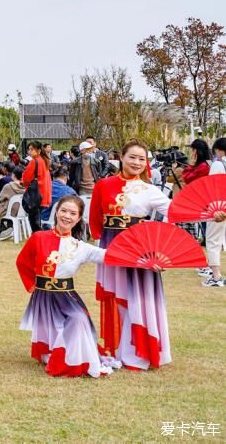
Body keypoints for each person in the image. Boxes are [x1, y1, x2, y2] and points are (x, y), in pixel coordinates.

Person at [89, 139, 172, 370]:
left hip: (139, 249)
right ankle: (118, 349)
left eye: (141, 159)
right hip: (111, 247)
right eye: (132, 157)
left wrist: (210, 215)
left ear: (147, 164)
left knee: (137, 299)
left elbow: (176, 212)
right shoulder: (103, 185)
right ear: (121, 158)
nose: (136, 162)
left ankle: (138, 353)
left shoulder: (149, 190)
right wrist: (100, 250)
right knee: (117, 297)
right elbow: (95, 220)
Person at [15, 195, 110, 377]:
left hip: (67, 297)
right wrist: (31, 285)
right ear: (56, 212)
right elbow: (22, 262)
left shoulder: (81, 247)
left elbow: (109, 256)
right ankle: (52, 352)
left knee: (78, 319)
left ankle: (67, 359)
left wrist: (143, 259)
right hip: (43, 296)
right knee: (50, 334)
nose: (67, 216)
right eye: (64, 211)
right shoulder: (38, 237)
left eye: (73, 213)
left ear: (78, 218)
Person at [199, 138, 226, 288]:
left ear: (216, 149)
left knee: (213, 241)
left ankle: (216, 276)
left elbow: (214, 185)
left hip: (218, 207)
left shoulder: (218, 164)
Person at [21, 141, 51, 232]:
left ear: (38, 150)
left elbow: (26, 179)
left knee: (35, 223)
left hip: (36, 195)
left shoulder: (34, 161)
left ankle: (38, 240)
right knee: (39, 220)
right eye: (28, 149)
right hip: (44, 194)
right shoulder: (45, 161)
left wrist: (24, 184)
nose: (29, 152)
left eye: (31, 149)